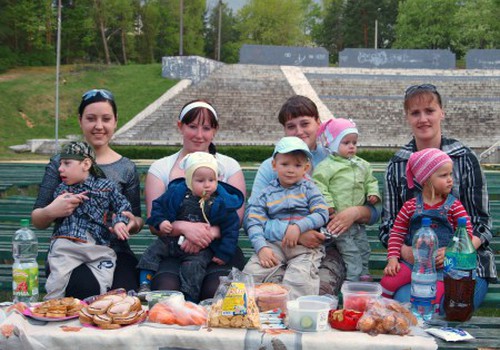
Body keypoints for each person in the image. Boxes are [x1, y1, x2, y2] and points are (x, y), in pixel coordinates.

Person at [379, 84, 497, 309]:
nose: (423, 119)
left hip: (465, 262)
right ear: (407, 117)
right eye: (415, 113)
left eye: (429, 111)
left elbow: (483, 224)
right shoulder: (397, 165)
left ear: (442, 112)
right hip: (415, 264)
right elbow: (389, 226)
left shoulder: (465, 158)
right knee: (408, 305)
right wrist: (407, 252)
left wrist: (457, 249)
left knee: (448, 306)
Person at [247, 95, 379, 295]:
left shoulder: (338, 157)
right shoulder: (271, 166)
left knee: (317, 289)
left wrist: (356, 212)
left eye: (305, 123)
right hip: (278, 244)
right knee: (268, 290)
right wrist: (295, 233)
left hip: (330, 247)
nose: (299, 131)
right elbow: (253, 215)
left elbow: (376, 210)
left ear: (318, 123)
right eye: (291, 126)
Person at [32, 89, 143, 299]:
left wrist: (131, 223)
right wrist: (52, 211)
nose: (99, 126)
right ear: (80, 121)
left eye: (106, 119)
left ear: (115, 121)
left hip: (114, 250)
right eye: (91, 119)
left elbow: (137, 218)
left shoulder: (126, 167)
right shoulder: (60, 163)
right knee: (85, 288)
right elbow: (37, 219)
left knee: (124, 296)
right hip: (69, 249)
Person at [144, 99, 247, 300]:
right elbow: (154, 223)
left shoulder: (229, 166)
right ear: (180, 126)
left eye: (206, 128)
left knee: (216, 291)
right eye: (192, 126)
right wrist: (183, 227)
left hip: (219, 248)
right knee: (168, 290)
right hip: (175, 247)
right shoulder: (162, 168)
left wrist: (203, 235)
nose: (199, 135)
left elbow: (237, 219)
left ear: (214, 131)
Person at [138, 152, 244, 302]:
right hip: (173, 240)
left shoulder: (221, 201)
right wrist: (161, 222)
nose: (207, 184)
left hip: (203, 247)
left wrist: (223, 253)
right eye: (200, 180)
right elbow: (158, 207)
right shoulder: (177, 193)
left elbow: (231, 227)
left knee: (193, 267)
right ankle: (144, 283)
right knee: (153, 251)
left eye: (212, 180)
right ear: (189, 180)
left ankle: (190, 298)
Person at [381, 148, 477, 308]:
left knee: (434, 296)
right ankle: (382, 311)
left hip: (442, 267)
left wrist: (449, 251)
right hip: (413, 263)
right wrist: (392, 258)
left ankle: (428, 323)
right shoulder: (410, 206)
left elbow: (466, 234)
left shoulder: (454, 206)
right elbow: (397, 232)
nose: (450, 180)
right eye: (443, 175)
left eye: (450, 174)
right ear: (426, 179)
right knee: (388, 282)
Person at [44, 142, 132, 300]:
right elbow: (53, 211)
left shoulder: (106, 186)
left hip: (98, 246)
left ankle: (97, 307)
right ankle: (51, 310)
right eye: (60, 164)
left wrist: (120, 221)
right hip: (67, 245)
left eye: (66, 163)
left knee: (103, 279)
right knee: (56, 282)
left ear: (85, 164)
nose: (60, 169)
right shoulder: (62, 189)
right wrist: (64, 203)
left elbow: (123, 205)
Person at [243, 137, 329, 299]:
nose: (291, 170)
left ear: (306, 168)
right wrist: (261, 248)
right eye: (285, 164)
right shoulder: (266, 193)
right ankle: (246, 312)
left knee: (299, 279)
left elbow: (322, 213)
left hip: (303, 248)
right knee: (252, 273)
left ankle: (293, 317)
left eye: (297, 165)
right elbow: (254, 222)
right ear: (274, 165)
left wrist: (298, 227)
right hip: (274, 245)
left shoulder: (310, 188)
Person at [313, 118, 380, 282]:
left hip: (357, 222)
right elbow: (320, 185)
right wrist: (329, 205)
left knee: (364, 248)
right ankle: (353, 279)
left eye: (354, 142)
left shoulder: (362, 165)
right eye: (346, 142)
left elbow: (371, 181)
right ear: (334, 145)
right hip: (338, 221)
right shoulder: (326, 166)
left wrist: (373, 193)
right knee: (350, 251)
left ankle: (364, 273)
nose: (352, 146)